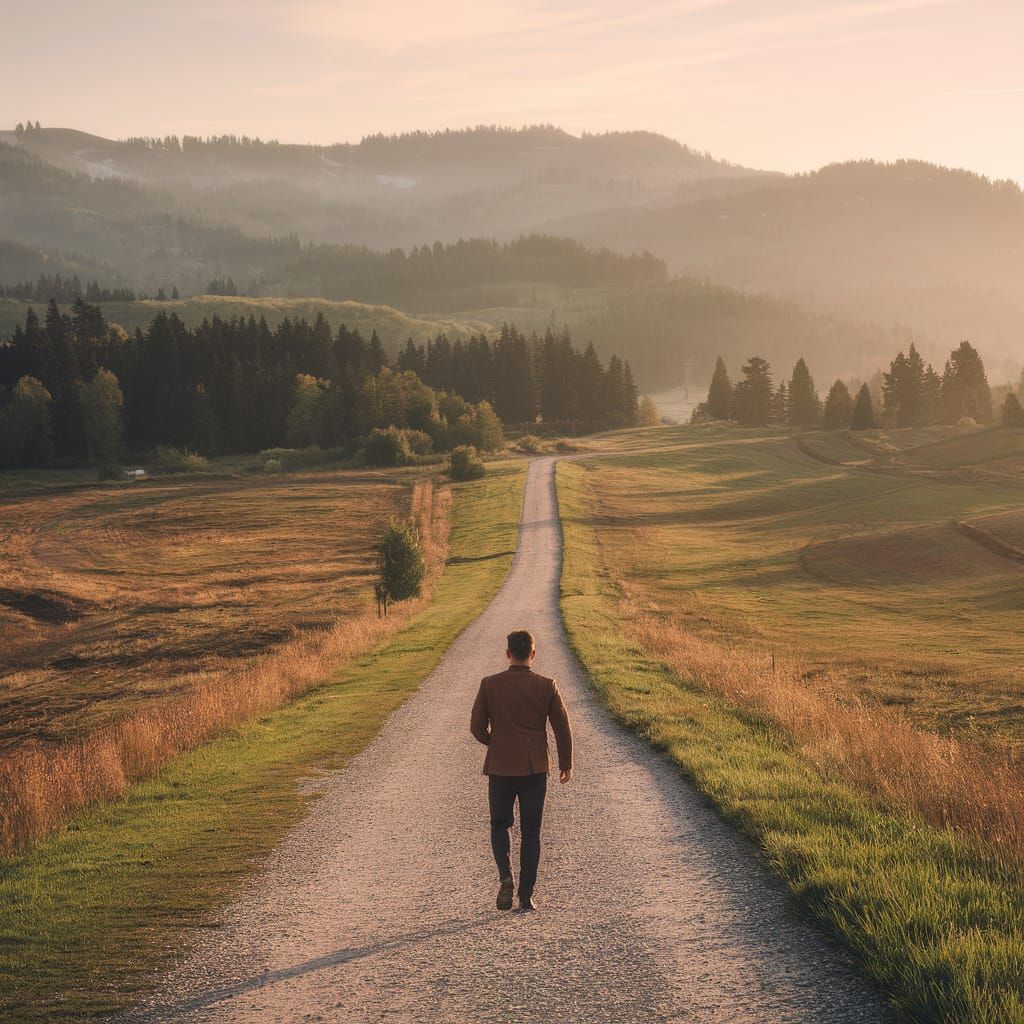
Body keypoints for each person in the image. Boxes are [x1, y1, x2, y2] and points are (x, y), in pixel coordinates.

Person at [470, 628, 573, 912]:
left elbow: (476, 727)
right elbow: (562, 728)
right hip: (535, 768)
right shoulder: (547, 685)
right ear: (533, 654)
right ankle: (526, 896)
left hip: (500, 767)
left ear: (508, 654)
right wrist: (566, 763)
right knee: (531, 832)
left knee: (499, 825)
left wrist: (496, 743)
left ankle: (506, 876)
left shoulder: (489, 684)